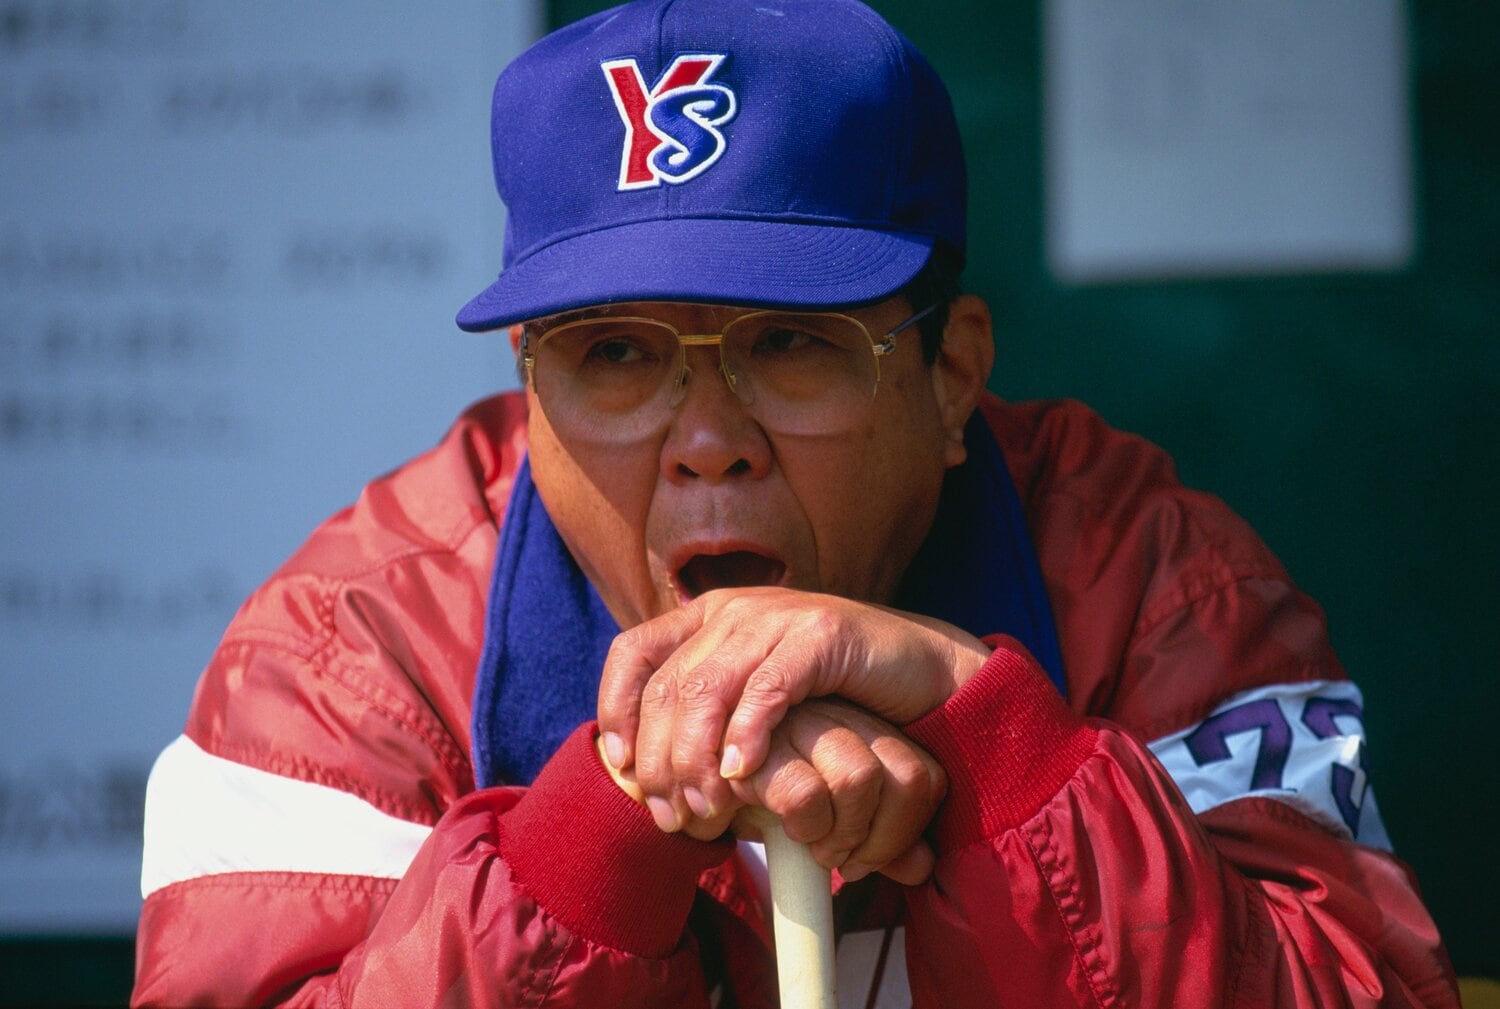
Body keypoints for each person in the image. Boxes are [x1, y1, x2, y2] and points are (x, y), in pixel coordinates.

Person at [131, 1, 1459, 1006]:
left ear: (953, 375)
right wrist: (604, 825)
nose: (707, 443)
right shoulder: (350, 658)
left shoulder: (1149, 585)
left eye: (793, 342)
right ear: (526, 389)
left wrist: (1004, 750)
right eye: (613, 355)